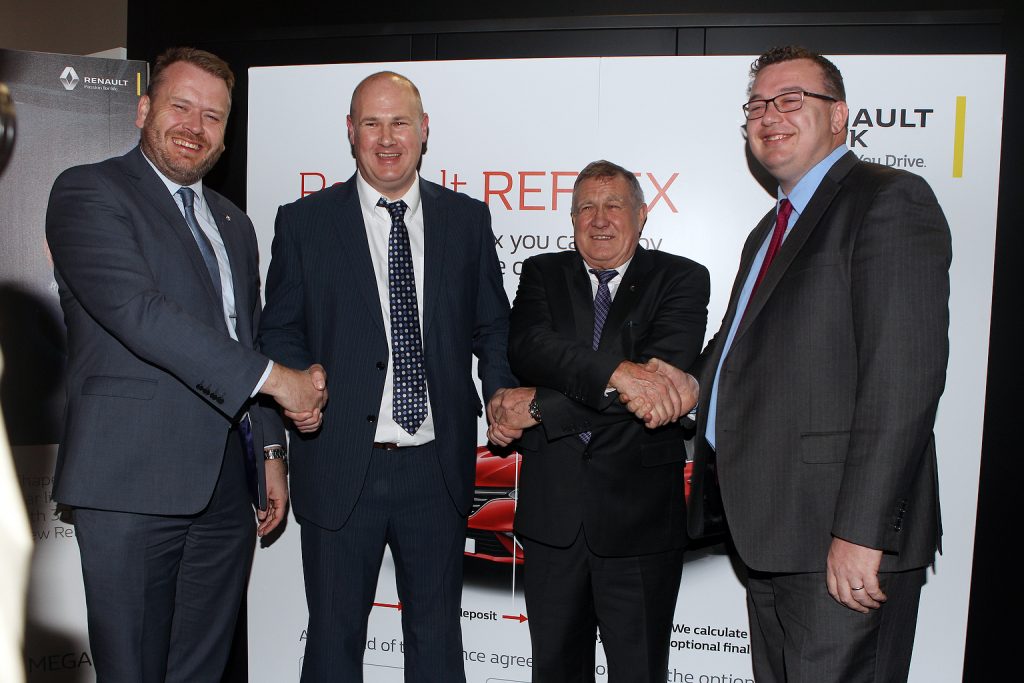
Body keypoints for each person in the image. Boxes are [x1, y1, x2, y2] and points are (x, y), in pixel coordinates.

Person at [45, 47, 328, 683]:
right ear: (144, 108)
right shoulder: (88, 190)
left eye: (213, 117)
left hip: (226, 489)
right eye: (181, 107)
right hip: (129, 483)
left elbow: (242, 336)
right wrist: (280, 382)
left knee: (200, 670)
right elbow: (140, 314)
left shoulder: (233, 224)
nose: (195, 127)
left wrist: (271, 455)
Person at [683, 46, 950, 682]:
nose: (770, 115)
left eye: (792, 100)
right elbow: (736, 352)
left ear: (840, 117)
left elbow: (904, 378)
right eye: (757, 105)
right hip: (775, 533)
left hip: (840, 540)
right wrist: (681, 382)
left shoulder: (888, 200)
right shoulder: (767, 231)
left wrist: (862, 533)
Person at [258, 71, 516, 682]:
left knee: (436, 640)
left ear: (424, 131)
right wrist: (300, 382)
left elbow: (492, 327)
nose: (387, 138)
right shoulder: (303, 223)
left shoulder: (466, 220)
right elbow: (278, 331)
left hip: (437, 469)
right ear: (351, 133)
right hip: (340, 461)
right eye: (371, 123)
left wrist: (500, 391)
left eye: (400, 122)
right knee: (333, 640)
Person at [486, 159, 710, 682]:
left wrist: (539, 406)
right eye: (587, 206)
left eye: (614, 205)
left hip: (640, 525)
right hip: (553, 521)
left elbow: (659, 388)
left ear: (641, 214)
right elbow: (531, 348)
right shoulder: (543, 272)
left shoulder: (681, 279)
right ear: (571, 218)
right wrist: (618, 372)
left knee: (640, 671)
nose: (600, 219)